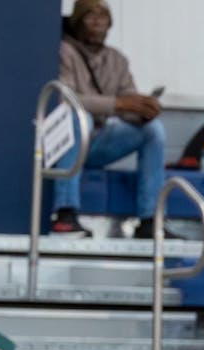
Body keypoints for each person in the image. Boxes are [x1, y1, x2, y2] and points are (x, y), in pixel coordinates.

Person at [53, 0, 169, 239]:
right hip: (65, 143)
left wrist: (142, 110)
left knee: (153, 130)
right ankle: (65, 216)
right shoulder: (63, 51)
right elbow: (66, 99)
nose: (97, 22)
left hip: (99, 140)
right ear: (77, 21)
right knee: (78, 117)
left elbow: (128, 102)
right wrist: (117, 104)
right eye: (90, 16)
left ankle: (150, 220)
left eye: (103, 16)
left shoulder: (117, 59)